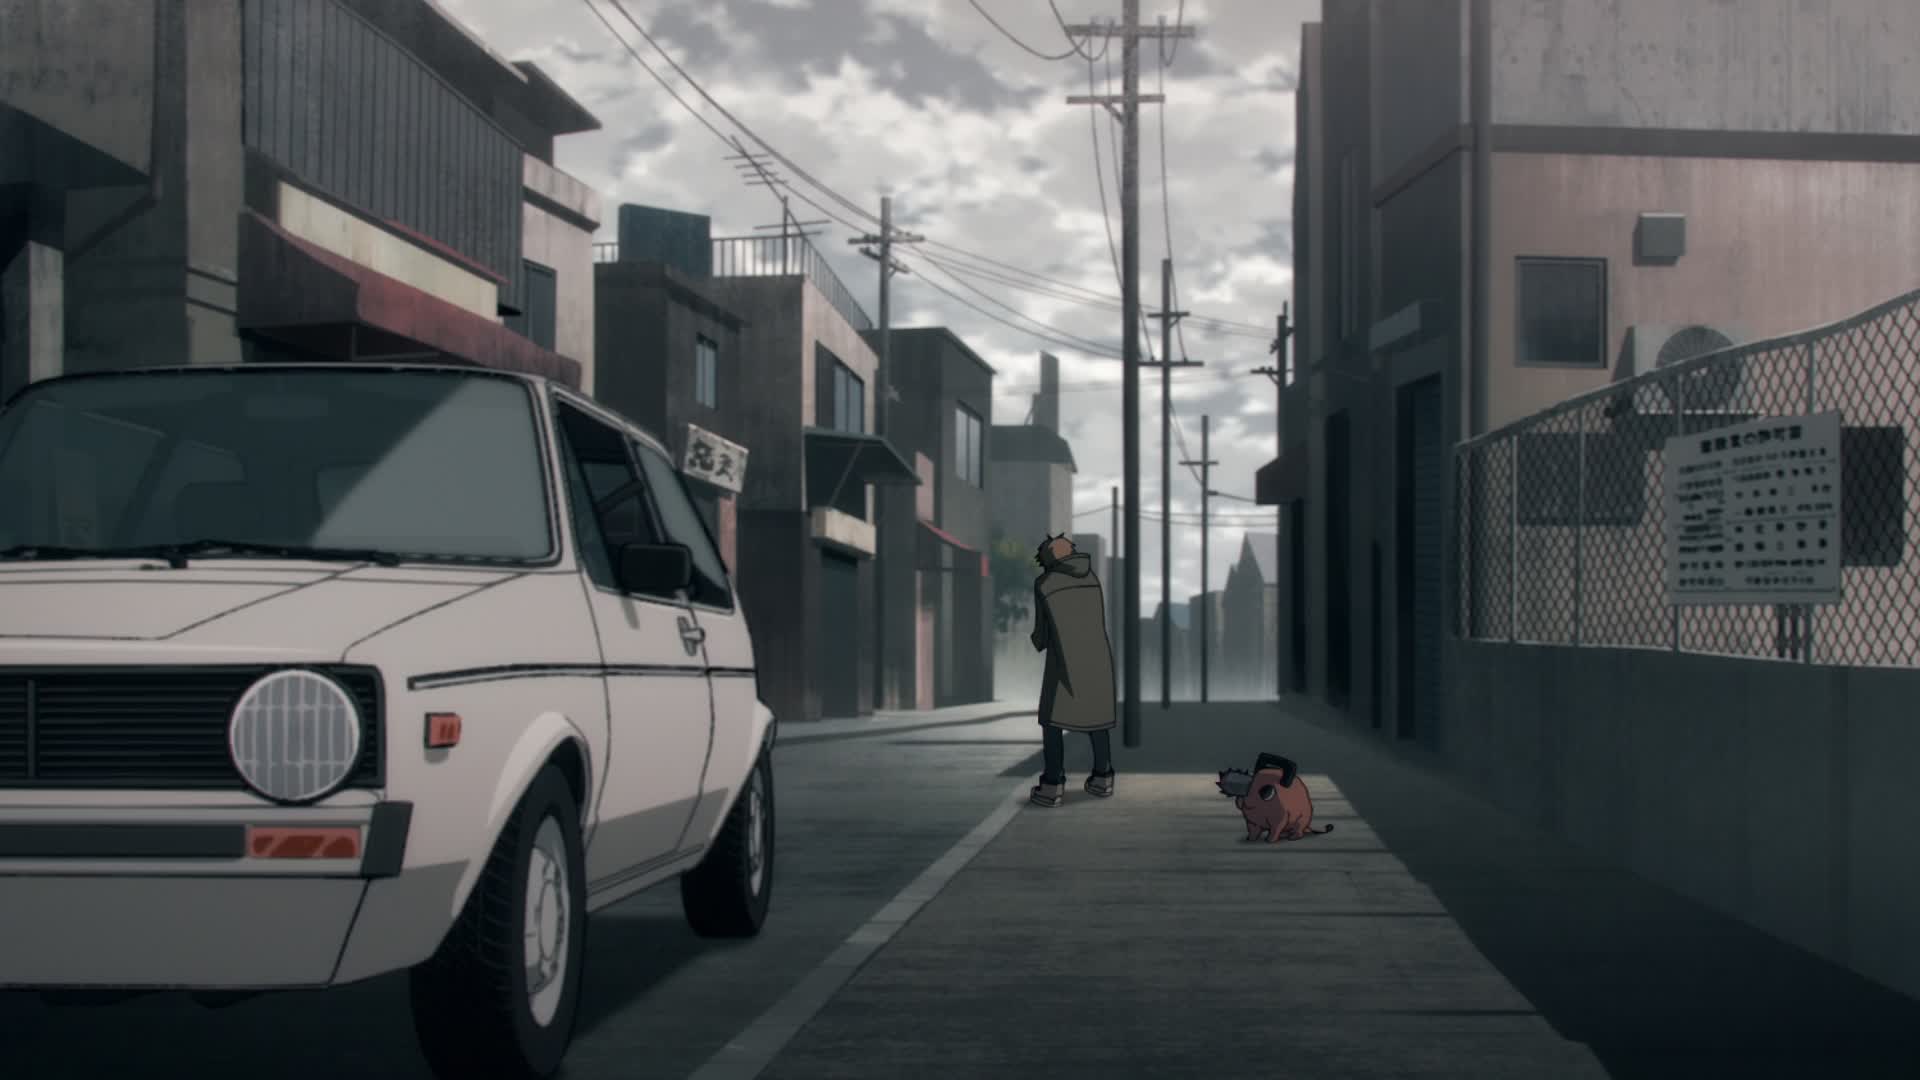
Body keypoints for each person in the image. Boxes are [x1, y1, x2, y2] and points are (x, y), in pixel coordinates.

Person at [1027, 533, 1117, 807]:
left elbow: (1042, 635)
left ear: (1048, 558)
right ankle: (1103, 778)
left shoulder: (1045, 584)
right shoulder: (1092, 579)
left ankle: (1052, 785)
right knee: (1097, 720)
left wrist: (1037, 641)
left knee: (1051, 722)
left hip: (1063, 661)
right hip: (1098, 660)